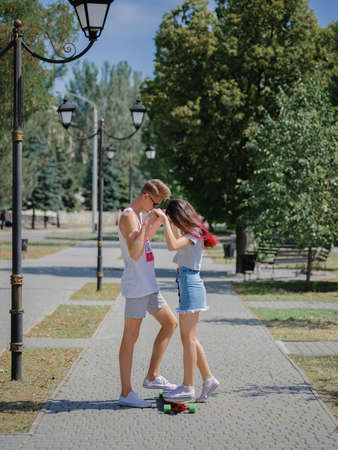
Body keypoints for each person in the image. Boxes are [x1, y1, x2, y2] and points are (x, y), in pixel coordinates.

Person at [118, 179, 178, 408]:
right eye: (154, 203)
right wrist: (146, 223)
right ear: (145, 196)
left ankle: (152, 375)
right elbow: (134, 252)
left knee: (170, 324)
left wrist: (155, 222)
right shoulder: (128, 216)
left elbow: (146, 241)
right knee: (130, 339)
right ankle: (126, 392)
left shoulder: (141, 215)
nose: (154, 207)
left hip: (149, 286)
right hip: (136, 288)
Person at [153, 199, 220, 403]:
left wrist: (165, 220)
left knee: (187, 339)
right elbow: (175, 239)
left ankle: (187, 386)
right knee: (190, 337)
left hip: (190, 283)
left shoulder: (193, 233)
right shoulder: (192, 231)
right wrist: (169, 223)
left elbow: (172, 245)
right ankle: (208, 379)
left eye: (173, 218)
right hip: (188, 282)